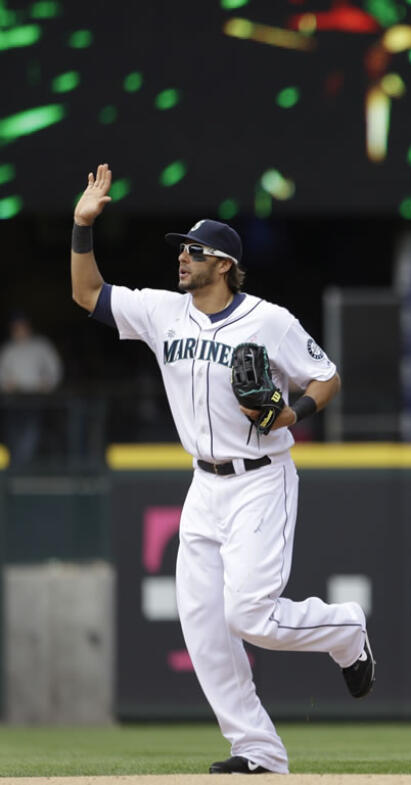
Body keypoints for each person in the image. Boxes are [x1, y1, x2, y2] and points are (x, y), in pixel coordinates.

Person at [69, 164, 373, 775]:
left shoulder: (270, 319)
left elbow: (328, 374)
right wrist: (81, 227)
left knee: (250, 616)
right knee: (205, 628)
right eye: (181, 249)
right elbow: (86, 294)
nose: (182, 258)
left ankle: (346, 629)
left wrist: (293, 413)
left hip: (260, 477)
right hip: (203, 486)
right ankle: (256, 750)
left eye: (194, 251)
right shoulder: (162, 313)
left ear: (225, 264)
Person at [0, 313, 63, 465]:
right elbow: (2, 372)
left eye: (22, 327)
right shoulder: (8, 349)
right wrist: (5, 383)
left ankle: (24, 463)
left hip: (35, 396)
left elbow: (55, 368)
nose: (19, 330)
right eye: (16, 327)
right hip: (14, 397)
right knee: (13, 430)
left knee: (32, 429)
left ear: (28, 327)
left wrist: (48, 383)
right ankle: (17, 463)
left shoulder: (41, 345)